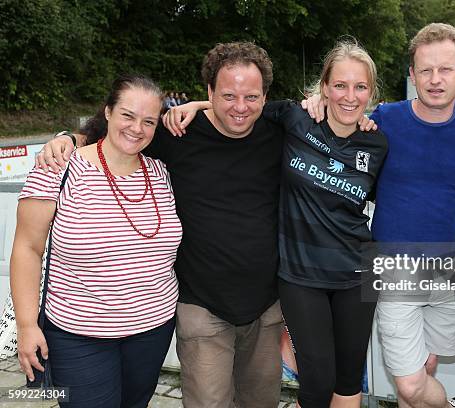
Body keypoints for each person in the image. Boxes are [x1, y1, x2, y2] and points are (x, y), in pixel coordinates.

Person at [36, 42, 285, 408]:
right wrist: (70, 139)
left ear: (265, 97)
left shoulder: (279, 128)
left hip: (267, 307)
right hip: (202, 308)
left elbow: (335, 114)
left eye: (251, 96)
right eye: (228, 95)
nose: (240, 107)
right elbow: (124, 131)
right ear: (209, 92)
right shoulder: (177, 133)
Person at [165, 38, 387, 408]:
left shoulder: (376, 141)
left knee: (347, 379)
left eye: (360, 86)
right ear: (324, 87)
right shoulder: (294, 118)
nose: (350, 96)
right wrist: (194, 105)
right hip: (289, 279)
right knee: (315, 379)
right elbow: (238, 106)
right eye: (340, 85)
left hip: (348, 273)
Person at [343, 23, 455, 408]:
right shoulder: (385, 119)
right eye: (425, 70)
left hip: (445, 268)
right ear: (412, 75)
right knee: (410, 386)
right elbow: (330, 114)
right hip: (394, 269)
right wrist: (200, 105)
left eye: (446, 69)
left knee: (426, 368)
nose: (435, 79)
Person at [12, 74, 181, 407]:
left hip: (152, 330)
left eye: (148, 121)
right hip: (78, 336)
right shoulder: (59, 168)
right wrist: (27, 325)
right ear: (107, 112)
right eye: (127, 116)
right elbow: (27, 249)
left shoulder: (162, 172)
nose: (137, 128)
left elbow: (228, 108)